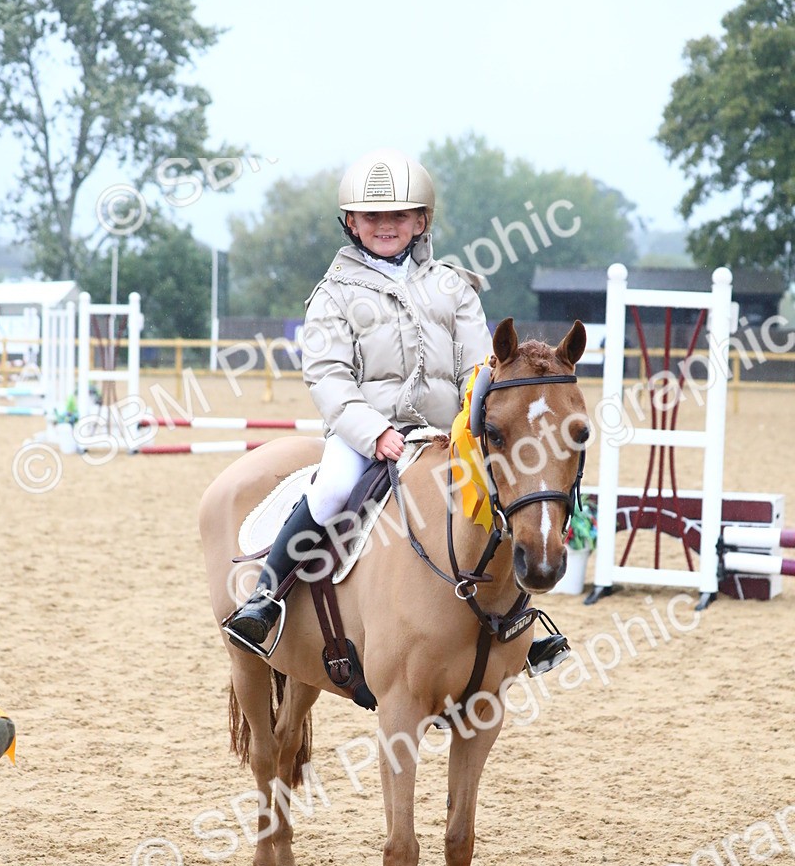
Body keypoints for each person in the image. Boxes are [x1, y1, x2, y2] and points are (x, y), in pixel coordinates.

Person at [223, 148, 569, 676]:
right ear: (352, 224)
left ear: (421, 221)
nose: (385, 226)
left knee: (505, 497)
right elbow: (328, 376)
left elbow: (480, 368)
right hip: (364, 435)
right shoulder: (333, 294)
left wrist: (471, 427)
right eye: (372, 217)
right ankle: (266, 599)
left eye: (398, 216)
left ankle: (522, 623)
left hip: (447, 434)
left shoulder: (454, 287)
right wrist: (374, 432)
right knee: (333, 488)